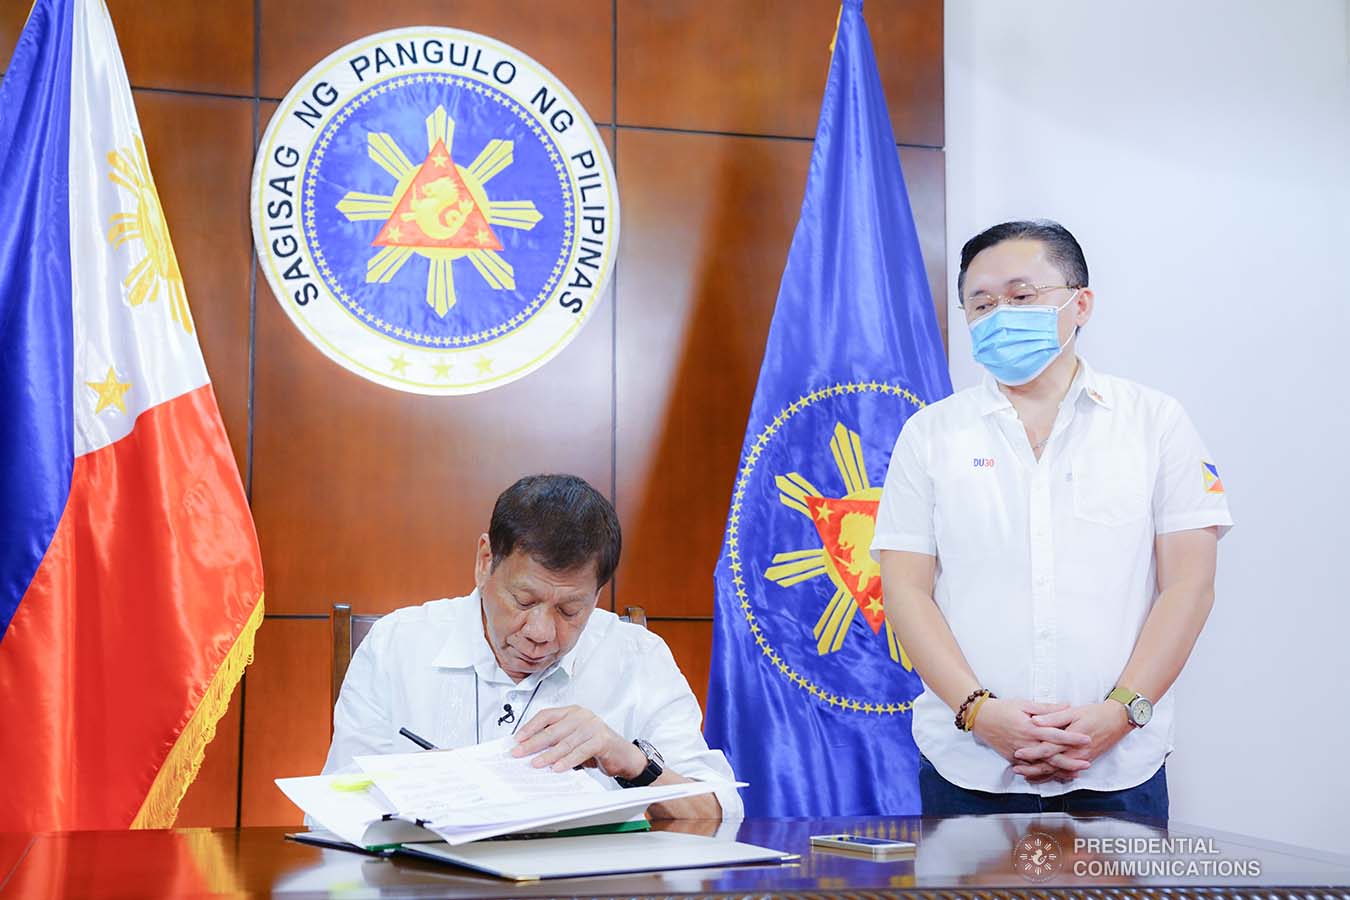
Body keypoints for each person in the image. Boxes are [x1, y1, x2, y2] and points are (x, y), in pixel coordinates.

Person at [872, 220, 1232, 820]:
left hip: (1119, 763)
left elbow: (1188, 586)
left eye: (1021, 296)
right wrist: (979, 713)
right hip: (968, 762)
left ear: (1079, 303)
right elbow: (906, 590)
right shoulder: (930, 434)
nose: (999, 315)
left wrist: (1119, 714)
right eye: (981, 304)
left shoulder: (1155, 423)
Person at [323, 473, 740, 819]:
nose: (541, 631)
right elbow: (335, 808)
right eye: (524, 601)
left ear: (598, 594)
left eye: (570, 610)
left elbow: (715, 812)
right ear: (485, 561)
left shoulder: (638, 657)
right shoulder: (398, 644)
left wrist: (628, 759)